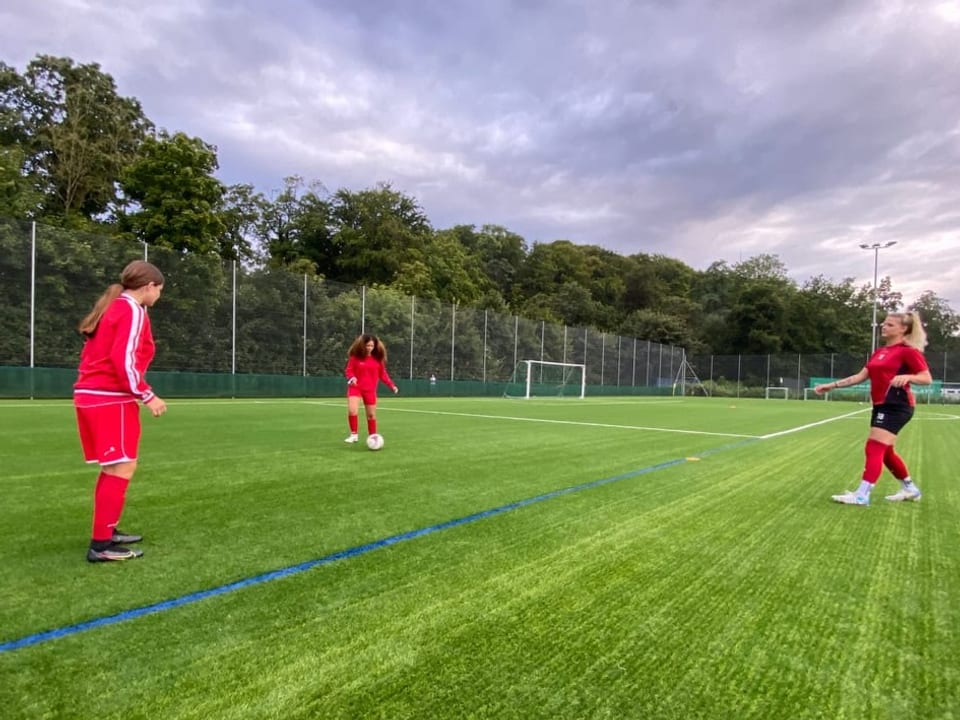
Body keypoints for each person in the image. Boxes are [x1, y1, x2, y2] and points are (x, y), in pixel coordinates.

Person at [74, 260, 168, 562]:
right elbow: (122, 358)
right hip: (109, 398)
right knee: (122, 467)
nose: (159, 297)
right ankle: (101, 546)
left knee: (113, 466)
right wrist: (146, 394)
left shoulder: (115, 307)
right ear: (149, 286)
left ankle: (106, 531)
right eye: (159, 290)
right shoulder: (131, 310)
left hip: (94, 396)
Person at [814, 311, 932, 505]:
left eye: (890, 325)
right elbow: (860, 376)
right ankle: (910, 489)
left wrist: (909, 377)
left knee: (874, 446)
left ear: (904, 329)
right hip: (881, 405)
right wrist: (832, 386)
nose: (883, 327)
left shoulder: (908, 351)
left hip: (897, 405)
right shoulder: (880, 352)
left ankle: (862, 494)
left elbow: (926, 378)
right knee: (886, 452)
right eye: (884, 324)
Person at [344, 334, 399, 443]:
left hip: (370, 390)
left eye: (371, 346)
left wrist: (391, 385)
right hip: (355, 388)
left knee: (371, 415)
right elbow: (348, 370)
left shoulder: (378, 360)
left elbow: (383, 375)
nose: (369, 348)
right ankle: (354, 435)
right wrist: (352, 378)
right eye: (367, 345)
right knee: (352, 410)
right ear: (362, 345)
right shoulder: (355, 357)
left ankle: (373, 437)